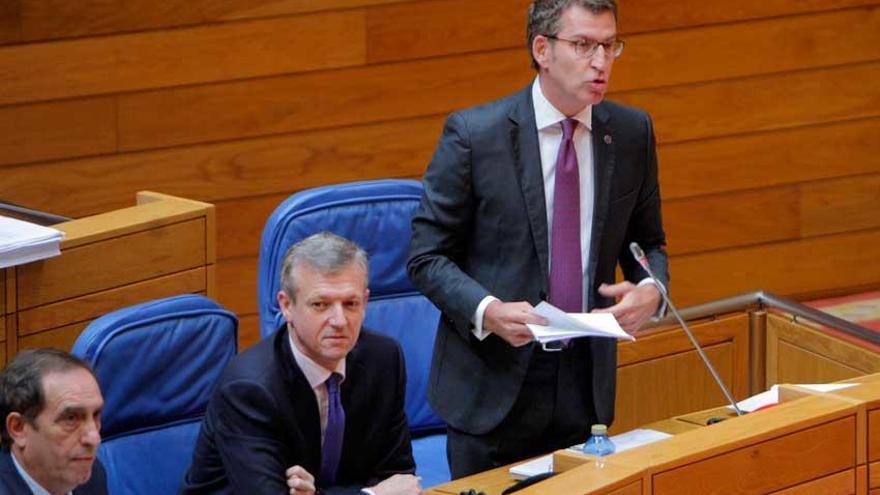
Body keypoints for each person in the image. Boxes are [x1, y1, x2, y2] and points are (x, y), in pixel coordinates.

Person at [407, 0, 669, 478]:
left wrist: (652, 290)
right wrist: (488, 309)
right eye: (584, 44)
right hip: (492, 388)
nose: (601, 61)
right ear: (542, 49)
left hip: (583, 390)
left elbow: (647, 245)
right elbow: (427, 257)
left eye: (610, 45)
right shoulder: (475, 135)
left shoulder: (631, 133)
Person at [182, 232, 420, 495]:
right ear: (287, 306)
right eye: (321, 305)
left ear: (365, 302)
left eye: (350, 304)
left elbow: (399, 479)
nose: (340, 320)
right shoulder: (249, 389)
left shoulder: (382, 359)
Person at [0, 348, 107, 495]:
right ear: (18, 428)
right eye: (71, 418)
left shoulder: (91, 476)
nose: (94, 438)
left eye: (96, 415)